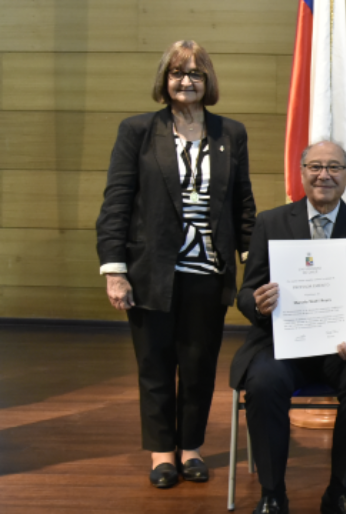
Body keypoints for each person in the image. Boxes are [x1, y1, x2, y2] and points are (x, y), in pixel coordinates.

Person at [95, 40, 256, 488]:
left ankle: (191, 448)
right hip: (151, 273)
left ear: (208, 82)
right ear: (164, 81)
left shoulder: (231, 134)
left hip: (209, 272)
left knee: (200, 365)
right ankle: (162, 452)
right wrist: (115, 270)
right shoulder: (138, 131)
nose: (186, 81)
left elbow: (243, 205)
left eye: (196, 74)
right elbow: (116, 204)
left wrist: (255, 262)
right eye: (177, 73)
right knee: (156, 365)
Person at [229, 141, 346, 514]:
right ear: (301, 173)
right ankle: (272, 493)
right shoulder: (270, 222)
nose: (325, 174)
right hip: (283, 342)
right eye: (316, 166)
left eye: (335, 167)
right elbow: (245, 292)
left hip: (343, 349)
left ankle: (339, 490)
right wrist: (257, 302)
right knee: (263, 381)